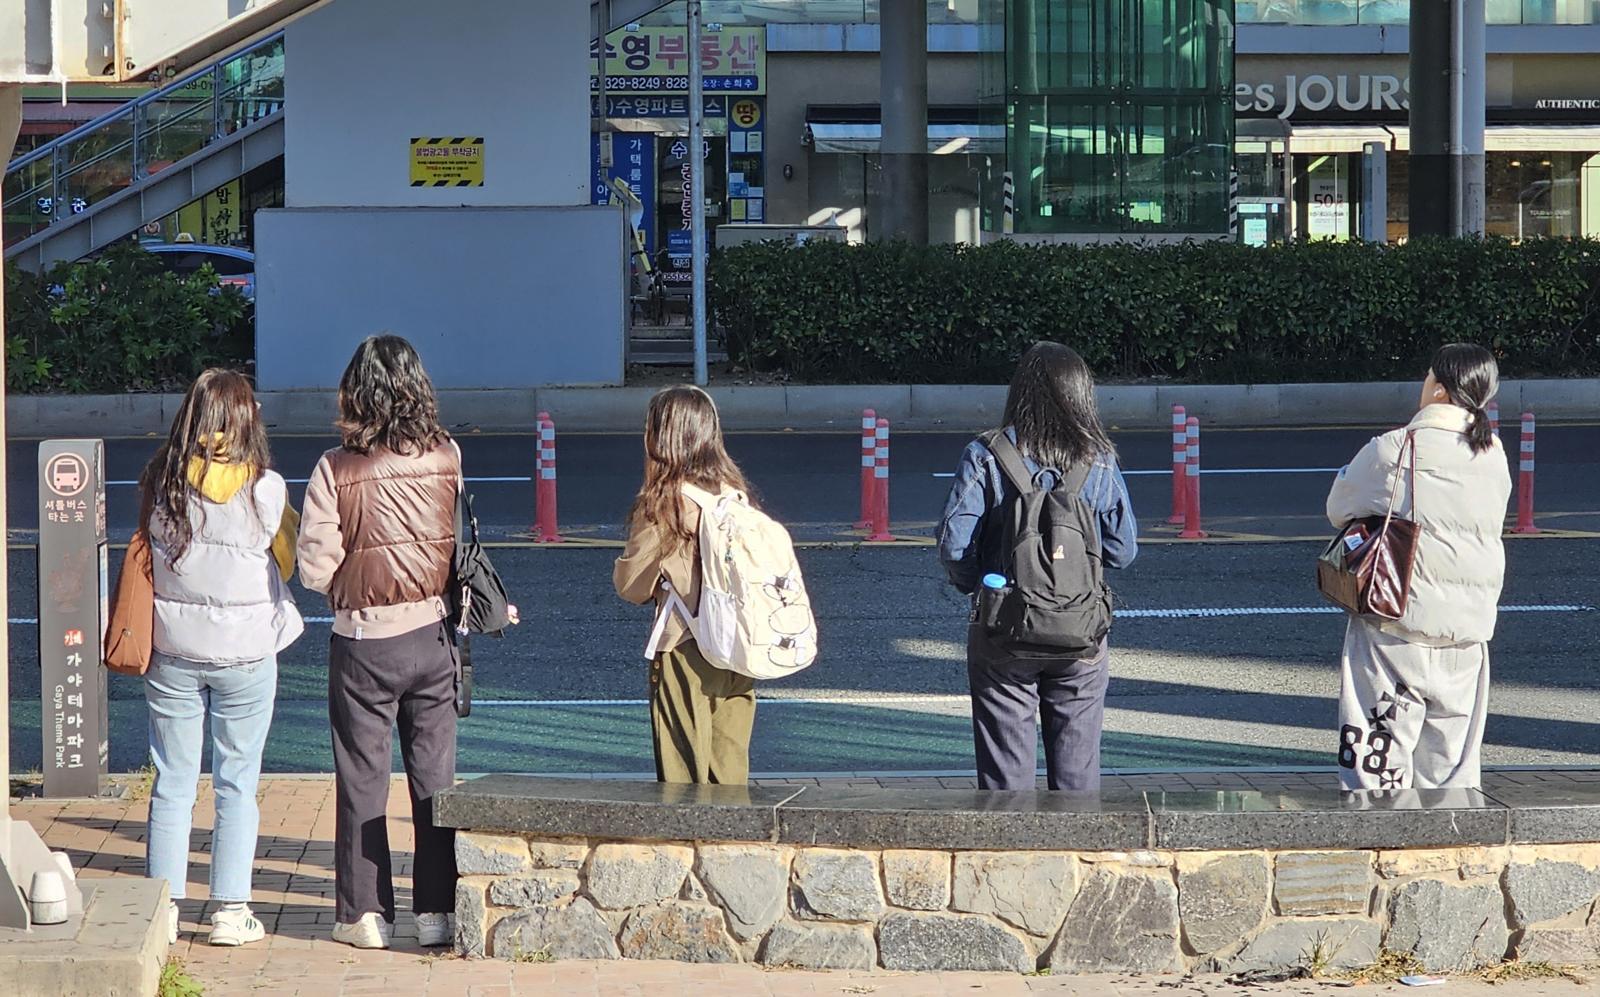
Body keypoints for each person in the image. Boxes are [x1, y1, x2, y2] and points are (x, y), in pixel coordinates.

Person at [298, 335, 462, 949]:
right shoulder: (447, 454)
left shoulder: (334, 469)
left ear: (354, 393)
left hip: (364, 641)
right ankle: (437, 913)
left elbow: (315, 568)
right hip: (433, 633)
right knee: (435, 779)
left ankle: (365, 915)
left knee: (363, 778)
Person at [143, 368, 303, 947]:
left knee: (173, 781)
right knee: (237, 781)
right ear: (246, 421)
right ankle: (231, 912)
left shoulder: (162, 480)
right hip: (246, 654)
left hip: (174, 650)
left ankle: (161, 909)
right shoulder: (265, 488)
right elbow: (287, 562)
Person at [937, 342, 1138, 792]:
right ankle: (1075, 854)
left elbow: (954, 546)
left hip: (1004, 627)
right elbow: (1123, 551)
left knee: (1006, 776)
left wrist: (979, 589)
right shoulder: (1097, 459)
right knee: (1078, 773)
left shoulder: (986, 454)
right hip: (1081, 632)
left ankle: (1011, 856)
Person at [1327, 343, 1512, 791]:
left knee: (1378, 760)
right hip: (1466, 632)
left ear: (1442, 391)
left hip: (1395, 622)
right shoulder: (1495, 454)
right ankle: (1451, 853)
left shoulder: (1395, 448)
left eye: (1428, 377)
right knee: (1450, 770)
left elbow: (1338, 508)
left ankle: (1380, 853)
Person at [614, 385, 757, 785]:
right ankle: (732, 844)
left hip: (685, 646)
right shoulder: (733, 494)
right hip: (736, 645)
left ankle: (690, 847)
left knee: (682, 779)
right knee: (729, 771)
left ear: (662, 439)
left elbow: (632, 585)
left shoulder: (664, 503)